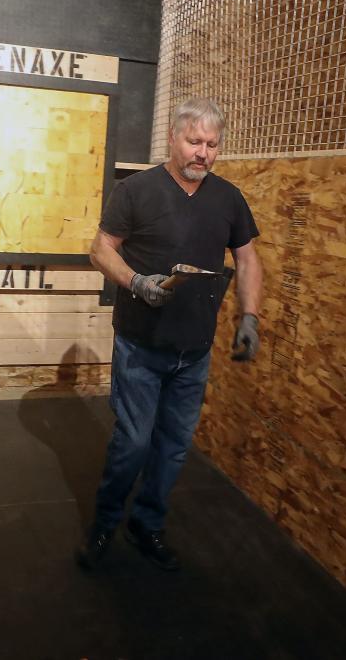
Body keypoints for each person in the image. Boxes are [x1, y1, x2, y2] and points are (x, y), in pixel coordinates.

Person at [77, 97, 263, 572]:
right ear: (172, 139)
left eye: (212, 145)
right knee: (134, 442)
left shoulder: (228, 199)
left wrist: (250, 317)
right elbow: (101, 251)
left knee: (174, 446)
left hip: (194, 350)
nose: (203, 152)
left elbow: (247, 259)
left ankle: (147, 523)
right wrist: (136, 282)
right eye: (194, 141)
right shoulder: (136, 190)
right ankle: (105, 522)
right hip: (140, 344)